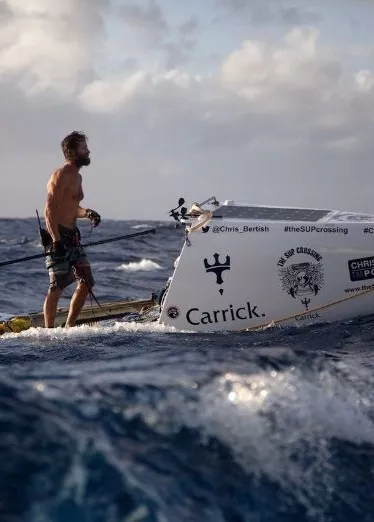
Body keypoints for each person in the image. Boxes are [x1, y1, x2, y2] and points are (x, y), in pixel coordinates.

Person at [43, 131, 101, 328]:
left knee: (86, 282)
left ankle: (69, 327)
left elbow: (72, 208)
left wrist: (87, 213)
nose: (88, 151)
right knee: (57, 286)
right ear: (72, 151)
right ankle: (49, 332)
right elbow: (49, 210)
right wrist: (56, 240)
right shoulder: (60, 175)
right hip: (57, 237)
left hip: (73, 237)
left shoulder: (78, 178)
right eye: (84, 148)